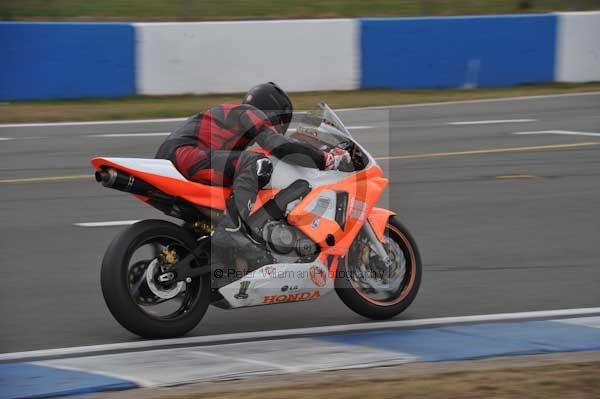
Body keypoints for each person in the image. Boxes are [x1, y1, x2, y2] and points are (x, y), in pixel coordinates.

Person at [156, 82, 349, 255]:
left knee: (241, 175)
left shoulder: (234, 120)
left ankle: (200, 245)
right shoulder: (248, 112)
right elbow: (279, 146)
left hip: (178, 156)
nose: (280, 127)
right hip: (185, 155)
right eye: (282, 120)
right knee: (257, 164)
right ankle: (234, 229)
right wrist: (325, 158)